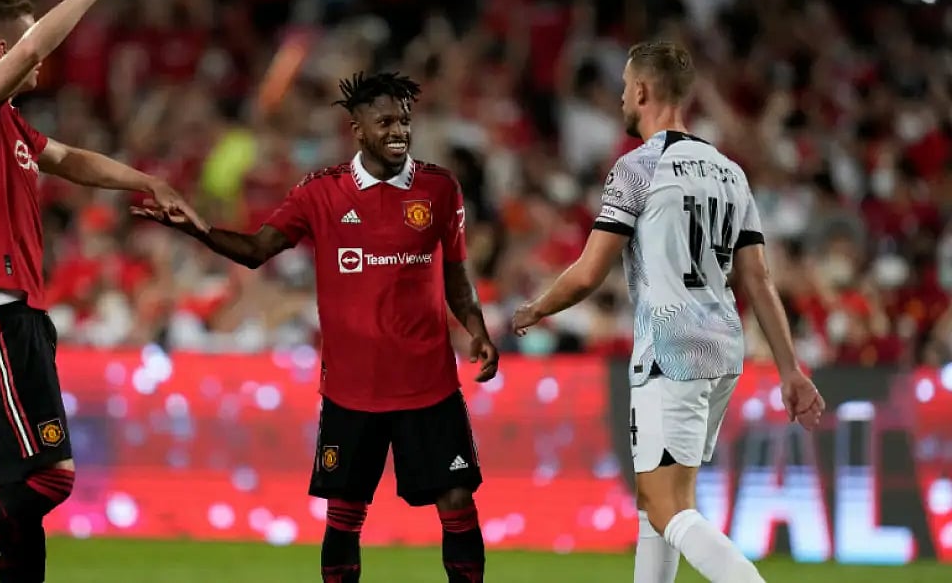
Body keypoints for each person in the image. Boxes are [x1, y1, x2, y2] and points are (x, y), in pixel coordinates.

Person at [0, 0, 206, 583]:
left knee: (27, 493)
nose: (45, 59)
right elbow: (39, 43)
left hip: (19, 313)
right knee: (50, 477)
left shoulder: (8, 123)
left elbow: (66, 158)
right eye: (30, 43)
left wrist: (146, 180)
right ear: (4, 50)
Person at [133, 72, 499, 583]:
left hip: (428, 385)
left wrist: (476, 327)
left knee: (458, 501)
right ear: (357, 129)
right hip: (352, 390)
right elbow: (258, 250)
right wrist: (198, 230)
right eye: (386, 121)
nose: (399, 131)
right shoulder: (320, 193)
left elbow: (455, 273)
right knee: (345, 515)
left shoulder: (439, 187)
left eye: (405, 121)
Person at [511, 41, 825, 583]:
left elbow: (588, 273)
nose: (621, 100)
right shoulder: (729, 172)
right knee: (656, 502)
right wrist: (790, 369)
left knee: (667, 506)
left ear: (641, 90)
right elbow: (757, 279)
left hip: (671, 350)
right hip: (723, 347)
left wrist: (535, 308)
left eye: (624, 89)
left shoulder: (637, 169)